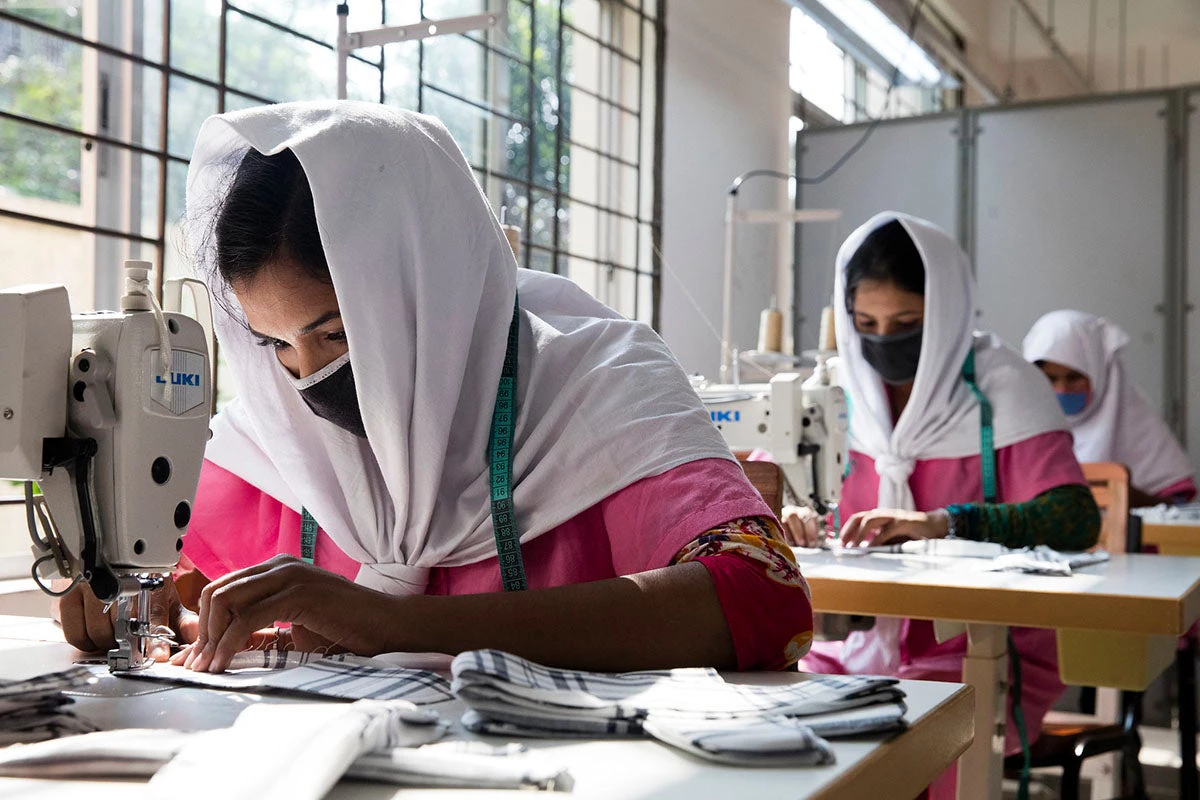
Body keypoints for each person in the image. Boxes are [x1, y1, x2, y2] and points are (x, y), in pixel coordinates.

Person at [53, 100, 813, 676]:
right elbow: (169, 580)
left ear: (430, 297)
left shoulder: (601, 390)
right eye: (273, 344)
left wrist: (390, 623)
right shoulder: (276, 443)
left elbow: (762, 595)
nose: (305, 375)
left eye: (337, 334)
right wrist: (133, 599)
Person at [785, 213, 1100, 798]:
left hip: (978, 653)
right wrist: (785, 517)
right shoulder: (835, 391)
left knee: (912, 756)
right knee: (781, 751)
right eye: (866, 323)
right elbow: (757, 489)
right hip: (843, 647)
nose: (883, 340)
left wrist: (945, 522)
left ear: (948, 313)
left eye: (907, 323)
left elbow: (1076, 518)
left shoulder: (1002, 387)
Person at [1024, 309, 1196, 506]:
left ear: (1101, 374)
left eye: (1074, 377)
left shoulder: (1138, 426)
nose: (1062, 389)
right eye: (1050, 378)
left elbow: (1180, 510)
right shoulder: (1023, 431)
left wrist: (1130, 498)